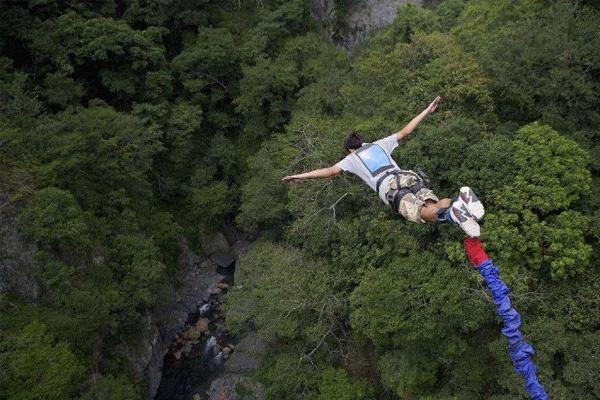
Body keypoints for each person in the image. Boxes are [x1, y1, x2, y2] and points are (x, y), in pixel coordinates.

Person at [282, 97, 484, 237]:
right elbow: (405, 131)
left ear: (350, 150)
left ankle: (454, 214)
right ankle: (459, 201)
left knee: (424, 215)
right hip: (407, 177)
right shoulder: (379, 144)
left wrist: (302, 175)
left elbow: (329, 172)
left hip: (390, 188)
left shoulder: (352, 158)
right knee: (435, 206)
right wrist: (426, 111)